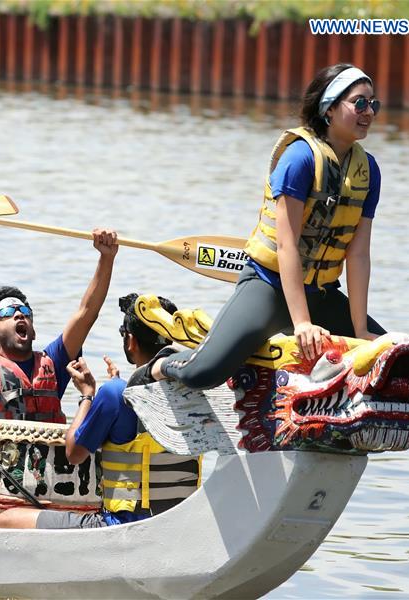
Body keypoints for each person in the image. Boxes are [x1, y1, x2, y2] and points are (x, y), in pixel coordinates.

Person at [155, 63, 386, 389]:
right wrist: (303, 323)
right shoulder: (299, 158)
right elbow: (287, 244)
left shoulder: (368, 171)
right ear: (330, 108)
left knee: (395, 362)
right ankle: (161, 363)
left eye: (373, 104)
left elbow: (359, 254)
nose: (369, 112)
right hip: (268, 285)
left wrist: (360, 330)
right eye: (359, 103)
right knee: (203, 374)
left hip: (321, 294)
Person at [0, 204, 118, 522]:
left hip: (53, 492)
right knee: (10, 519)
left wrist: (106, 258)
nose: (20, 314)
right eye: (8, 312)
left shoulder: (53, 363)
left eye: (26, 312)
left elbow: (86, 313)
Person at [0, 294, 201, 529]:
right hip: (181, 523)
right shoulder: (194, 395)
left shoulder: (115, 394)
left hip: (122, 525)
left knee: (6, 520)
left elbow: (74, 453)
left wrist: (87, 394)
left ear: (130, 341)